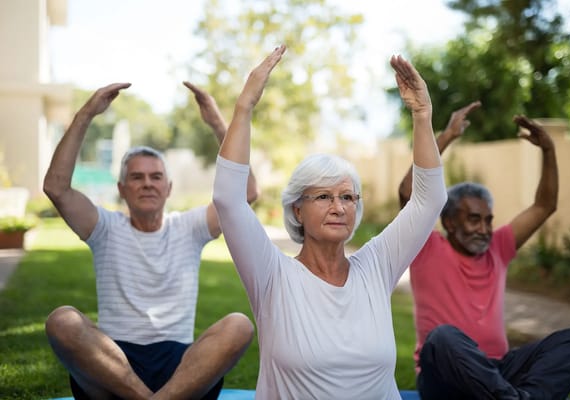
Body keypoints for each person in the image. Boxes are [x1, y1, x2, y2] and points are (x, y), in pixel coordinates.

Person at [212, 45, 447, 399]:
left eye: (348, 197)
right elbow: (228, 199)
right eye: (323, 197)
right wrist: (244, 107)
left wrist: (422, 115)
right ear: (297, 210)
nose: (338, 207)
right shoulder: (272, 276)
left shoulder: (376, 268)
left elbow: (429, 200)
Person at [43, 81, 256, 400]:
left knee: (239, 325)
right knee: (61, 320)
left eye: (156, 177)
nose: (147, 184)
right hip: (113, 367)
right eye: (137, 177)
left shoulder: (189, 227)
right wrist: (86, 114)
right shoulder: (104, 227)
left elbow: (247, 193)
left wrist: (216, 123)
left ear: (168, 188)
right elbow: (56, 188)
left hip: (181, 368)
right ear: (121, 188)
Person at [398, 103, 570, 399]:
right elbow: (407, 191)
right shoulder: (426, 246)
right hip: (444, 375)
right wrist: (447, 136)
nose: (484, 228)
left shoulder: (498, 247)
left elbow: (544, 206)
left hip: (497, 371)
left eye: (488, 220)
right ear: (449, 222)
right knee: (442, 338)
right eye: (473, 219)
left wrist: (549, 150)